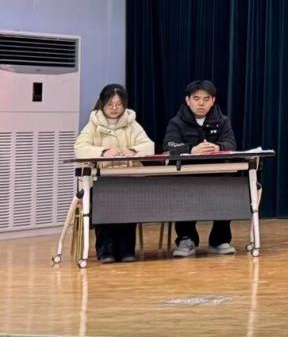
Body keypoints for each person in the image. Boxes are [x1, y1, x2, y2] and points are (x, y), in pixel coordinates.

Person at [74, 84, 155, 263]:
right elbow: (80, 148)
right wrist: (103, 152)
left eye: (119, 104)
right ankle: (105, 250)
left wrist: (133, 151)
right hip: (101, 181)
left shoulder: (132, 123)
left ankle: (126, 250)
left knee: (129, 206)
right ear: (102, 104)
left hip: (128, 179)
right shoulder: (93, 123)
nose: (114, 108)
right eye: (110, 104)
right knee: (104, 205)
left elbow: (149, 146)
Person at [163, 79, 238, 257]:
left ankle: (219, 240)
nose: (201, 103)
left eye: (206, 99)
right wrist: (191, 150)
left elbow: (231, 144)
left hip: (217, 174)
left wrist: (218, 147)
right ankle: (186, 239)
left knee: (227, 189)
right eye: (196, 99)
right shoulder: (176, 122)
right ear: (188, 100)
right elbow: (168, 146)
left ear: (213, 101)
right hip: (186, 175)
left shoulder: (223, 121)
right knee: (182, 192)